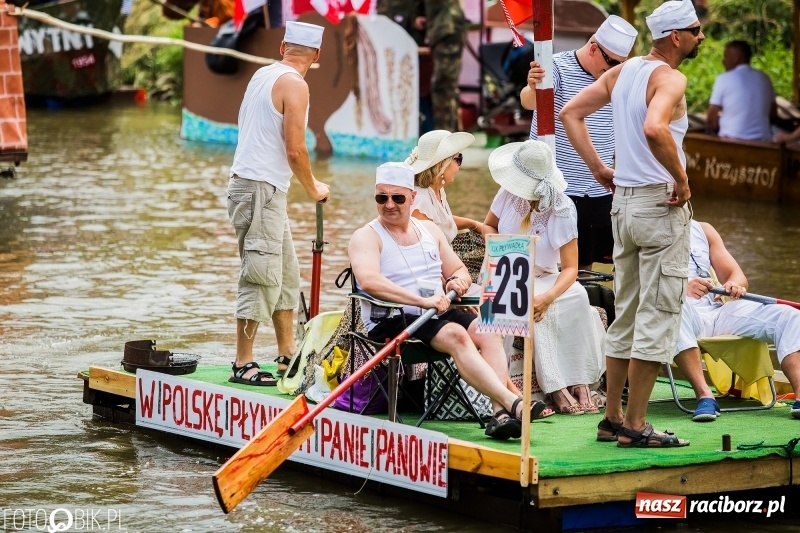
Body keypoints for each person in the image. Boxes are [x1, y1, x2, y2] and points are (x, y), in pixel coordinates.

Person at [561, 0, 704, 447]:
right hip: (658, 207)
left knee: (626, 314)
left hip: (621, 205)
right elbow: (655, 128)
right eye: (696, 30)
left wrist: (600, 169)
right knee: (657, 316)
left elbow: (570, 114)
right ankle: (636, 427)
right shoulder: (670, 77)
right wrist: (681, 180)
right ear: (676, 36)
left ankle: (611, 418)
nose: (701, 37)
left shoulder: (623, 73)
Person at [348, 162, 547, 440]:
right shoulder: (366, 236)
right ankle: (514, 402)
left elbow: (458, 270)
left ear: (412, 198)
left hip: (436, 313)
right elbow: (369, 282)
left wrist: (458, 282)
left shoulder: (430, 230)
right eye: (382, 198)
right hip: (393, 320)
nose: (389, 204)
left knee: (489, 327)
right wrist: (421, 300)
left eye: (398, 198)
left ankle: (499, 414)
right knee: (455, 334)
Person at [226, 21, 331, 386]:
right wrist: (313, 186)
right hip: (259, 189)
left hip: (260, 189)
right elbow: (295, 148)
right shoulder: (296, 85)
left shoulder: (263, 75)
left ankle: (288, 355)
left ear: (283, 46)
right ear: (316, 55)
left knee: (285, 274)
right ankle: (243, 362)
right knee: (260, 275)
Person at [483, 140, 606, 415]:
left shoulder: (562, 207)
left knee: (578, 295)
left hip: (546, 276)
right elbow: (488, 224)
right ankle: (553, 387)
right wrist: (502, 248)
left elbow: (571, 269)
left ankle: (578, 381)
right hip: (507, 268)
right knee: (522, 298)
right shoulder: (507, 193)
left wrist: (547, 298)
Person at [521, 15, 637, 272]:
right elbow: (528, 102)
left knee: (586, 265)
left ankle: (590, 310)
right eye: (612, 63)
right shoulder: (556, 67)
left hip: (598, 188)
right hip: (557, 187)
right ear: (594, 47)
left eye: (622, 64)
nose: (615, 70)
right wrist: (532, 86)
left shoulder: (619, 78)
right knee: (547, 263)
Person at [672, 220, 800, 421]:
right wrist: (680, 288)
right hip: (678, 313)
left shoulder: (703, 230)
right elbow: (636, 285)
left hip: (716, 311)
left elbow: (737, 275)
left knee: (789, 316)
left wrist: (734, 284)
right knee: (673, 310)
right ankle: (705, 396)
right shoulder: (641, 228)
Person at [406, 130, 487, 243]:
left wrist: (473, 224)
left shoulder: (436, 189)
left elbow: (442, 221)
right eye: (458, 159)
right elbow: (427, 251)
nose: (460, 166)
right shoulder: (420, 200)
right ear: (441, 165)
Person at [706, 40, 777, 142]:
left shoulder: (724, 78)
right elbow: (773, 114)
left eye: (726, 56)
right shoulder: (764, 78)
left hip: (731, 141)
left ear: (737, 58)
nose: (723, 61)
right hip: (763, 142)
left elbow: (711, 119)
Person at [415, 1, 467, 131]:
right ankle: (449, 139)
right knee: (445, 88)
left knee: (443, 88)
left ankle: (445, 139)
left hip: (447, 29)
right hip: (445, 28)